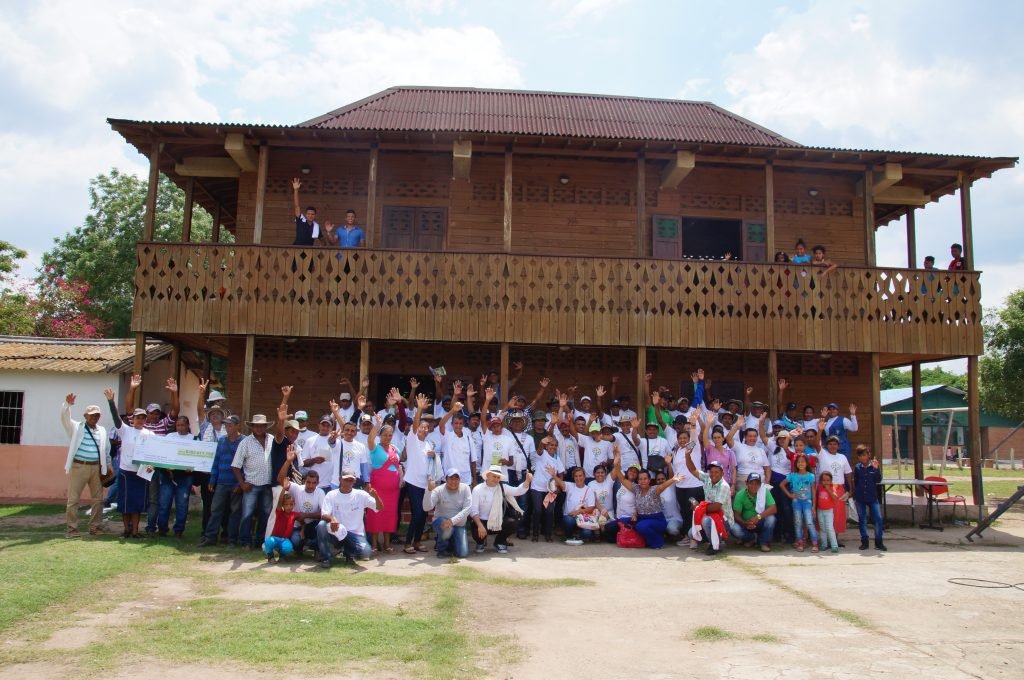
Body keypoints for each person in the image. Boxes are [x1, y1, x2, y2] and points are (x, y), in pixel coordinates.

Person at [61, 392, 112, 538]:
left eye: (97, 415)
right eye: (92, 415)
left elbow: (106, 450)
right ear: (85, 416)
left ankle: (95, 527)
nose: (94, 417)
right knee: (73, 500)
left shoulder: (102, 430)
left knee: (98, 499)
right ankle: (72, 529)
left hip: (96, 468)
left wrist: (108, 465)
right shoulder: (77, 427)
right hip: (79, 466)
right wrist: (67, 405)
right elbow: (65, 419)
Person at [612, 447, 683, 549]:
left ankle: (658, 542)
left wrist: (673, 479)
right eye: (640, 479)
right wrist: (616, 462)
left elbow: (663, 485)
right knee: (626, 523)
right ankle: (648, 540)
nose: (643, 481)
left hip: (657, 520)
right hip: (642, 519)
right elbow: (622, 478)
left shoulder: (654, 490)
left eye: (645, 479)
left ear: (649, 480)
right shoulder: (636, 489)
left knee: (641, 526)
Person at [105, 392, 154, 539]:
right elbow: (115, 418)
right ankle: (126, 529)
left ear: (146, 419)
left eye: (142, 418)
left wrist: (152, 465)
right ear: (132, 419)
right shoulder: (125, 430)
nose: (140, 420)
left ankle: (135, 531)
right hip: (126, 471)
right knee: (125, 503)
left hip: (141, 472)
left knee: (138, 504)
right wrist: (111, 402)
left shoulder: (150, 434)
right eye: (137, 417)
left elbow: (153, 453)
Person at [317, 469, 383, 568]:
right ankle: (326, 558)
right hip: (337, 530)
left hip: (355, 534)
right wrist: (332, 519)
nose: (348, 483)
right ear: (340, 479)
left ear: (354, 481)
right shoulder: (331, 495)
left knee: (366, 552)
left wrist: (376, 496)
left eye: (351, 480)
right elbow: (324, 514)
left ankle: (349, 554)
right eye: (346, 480)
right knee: (321, 525)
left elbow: (379, 507)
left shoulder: (360, 494)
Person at [198, 415, 244, 547]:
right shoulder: (222, 440)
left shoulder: (244, 441)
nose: (227, 428)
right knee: (215, 510)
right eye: (226, 425)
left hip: (235, 481)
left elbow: (245, 465)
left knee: (235, 512)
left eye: (230, 425)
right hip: (222, 481)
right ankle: (210, 537)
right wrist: (212, 479)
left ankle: (231, 539)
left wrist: (239, 483)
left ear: (237, 426)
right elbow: (216, 460)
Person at [231, 414, 276, 550]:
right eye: (256, 425)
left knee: (265, 514)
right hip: (251, 484)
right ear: (252, 426)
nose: (259, 428)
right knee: (247, 514)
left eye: (262, 425)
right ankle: (245, 541)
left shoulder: (272, 439)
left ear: (265, 427)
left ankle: (260, 541)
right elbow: (235, 465)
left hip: (268, 484)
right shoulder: (245, 442)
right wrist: (242, 483)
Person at [402, 394, 437, 554]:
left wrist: (434, 456)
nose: (424, 429)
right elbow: (415, 425)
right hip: (413, 482)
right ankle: (407, 543)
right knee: (417, 513)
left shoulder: (428, 443)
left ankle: (417, 542)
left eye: (426, 428)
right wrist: (420, 409)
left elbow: (432, 464)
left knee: (423, 515)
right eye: (422, 427)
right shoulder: (413, 439)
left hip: (425, 484)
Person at [680, 453, 733, 556]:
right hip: (710, 517)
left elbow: (716, 507)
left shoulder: (724, 486)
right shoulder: (708, 478)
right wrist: (687, 456)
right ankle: (714, 538)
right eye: (711, 471)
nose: (713, 474)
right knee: (692, 533)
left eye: (717, 472)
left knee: (705, 521)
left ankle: (715, 545)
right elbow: (692, 470)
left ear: (722, 473)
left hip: (723, 520)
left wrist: (698, 507)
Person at [470, 465, 531, 554]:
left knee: (512, 522)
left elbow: (518, 491)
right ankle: (481, 542)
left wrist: (527, 481)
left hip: (497, 521)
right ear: (487, 476)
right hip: (481, 522)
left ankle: (499, 542)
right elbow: (473, 510)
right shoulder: (477, 489)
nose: (496, 479)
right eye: (494, 476)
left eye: (498, 477)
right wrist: (480, 525)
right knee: (475, 528)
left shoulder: (503, 488)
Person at [277, 445, 325, 556]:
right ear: (304, 481)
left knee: (323, 525)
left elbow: (324, 513)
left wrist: (306, 515)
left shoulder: (320, 492)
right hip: (297, 526)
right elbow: (280, 480)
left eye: (314, 483)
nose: (311, 485)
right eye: (308, 482)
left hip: (312, 526)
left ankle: (315, 548)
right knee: (296, 541)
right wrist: (288, 461)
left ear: (318, 483)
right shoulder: (297, 489)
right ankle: (299, 547)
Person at [365, 415, 402, 554]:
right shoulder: (375, 448)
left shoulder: (395, 448)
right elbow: (370, 438)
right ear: (380, 436)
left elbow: (400, 462)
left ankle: (387, 544)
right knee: (376, 514)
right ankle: (374, 544)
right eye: (385, 435)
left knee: (389, 515)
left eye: (390, 435)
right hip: (378, 489)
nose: (387, 437)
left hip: (393, 491)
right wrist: (378, 423)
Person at [156, 415, 196, 538]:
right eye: (178, 425)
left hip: (184, 477)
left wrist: (192, 468)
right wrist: (164, 467)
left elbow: (196, 459)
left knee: (182, 504)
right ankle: (162, 529)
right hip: (168, 475)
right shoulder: (169, 437)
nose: (180, 427)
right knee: (164, 503)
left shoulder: (194, 439)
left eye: (183, 425)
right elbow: (161, 454)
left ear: (188, 425)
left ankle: (179, 530)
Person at [424, 470, 473, 559]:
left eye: (456, 479)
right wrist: (428, 491)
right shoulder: (438, 490)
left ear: (460, 480)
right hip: (441, 522)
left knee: (462, 553)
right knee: (447, 529)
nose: (453, 482)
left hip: (458, 524)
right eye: (451, 478)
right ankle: (441, 550)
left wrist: (452, 521)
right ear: (446, 479)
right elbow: (426, 508)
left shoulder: (465, 488)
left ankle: (447, 540)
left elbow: (467, 509)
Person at [816, 433, 853, 545]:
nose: (833, 446)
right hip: (824, 488)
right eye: (830, 444)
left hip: (839, 488)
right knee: (824, 513)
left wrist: (850, 489)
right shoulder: (823, 454)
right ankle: (824, 540)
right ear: (827, 445)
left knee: (837, 514)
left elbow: (848, 473)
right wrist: (820, 430)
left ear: (838, 445)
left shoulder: (842, 457)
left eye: (835, 444)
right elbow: (817, 443)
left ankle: (835, 540)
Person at [529, 436, 566, 542]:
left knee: (549, 511)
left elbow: (561, 473)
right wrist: (541, 442)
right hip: (537, 487)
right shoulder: (541, 454)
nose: (553, 447)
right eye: (551, 445)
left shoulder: (557, 458)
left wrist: (558, 486)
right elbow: (539, 449)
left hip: (550, 489)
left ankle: (548, 535)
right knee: (537, 510)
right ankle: (535, 535)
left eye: (555, 445)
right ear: (547, 446)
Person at [730, 473, 778, 552]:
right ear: (746, 483)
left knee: (771, 519)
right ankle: (751, 539)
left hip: (760, 521)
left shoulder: (764, 491)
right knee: (733, 528)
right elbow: (736, 515)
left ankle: (763, 543)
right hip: (745, 523)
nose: (754, 486)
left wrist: (758, 517)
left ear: (760, 484)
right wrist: (745, 523)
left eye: (757, 484)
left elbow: (773, 508)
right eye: (751, 483)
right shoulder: (740, 494)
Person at [852, 445, 886, 551]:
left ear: (868, 455)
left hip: (872, 496)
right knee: (862, 519)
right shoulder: (857, 467)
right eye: (860, 455)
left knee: (878, 519)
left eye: (865, 455)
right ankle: (864, 541)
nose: (863, 457)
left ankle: (879, 541)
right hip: (860, 496)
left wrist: (876, 469)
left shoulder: (874, 466)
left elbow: (878, 480)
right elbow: (856, 481)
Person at [781, 453, 818, 552]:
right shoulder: (792, 475)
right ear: (796, 464)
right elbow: (782, 484)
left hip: (807, 502)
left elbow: (814, 491)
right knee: (798, 522)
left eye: (803, 461)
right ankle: (800, 542)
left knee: (809, 522)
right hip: (796, 501)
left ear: (807, 463)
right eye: (799, 462)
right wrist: (790, 495)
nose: (801, 463)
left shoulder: (811, 476)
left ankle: (815, 543)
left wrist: (814, 506)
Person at [562, 467, 600, 544]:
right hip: (571, 517)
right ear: (573, 477)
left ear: (584, 476)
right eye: (576, 476)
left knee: (587, 533)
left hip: (584, 518)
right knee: (568, 521)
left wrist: (579, 511)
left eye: (580, 476)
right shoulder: (570, 486)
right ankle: (569, 536)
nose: (578, 478)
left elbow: (591, 507)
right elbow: (560, 483)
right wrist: (553, 475)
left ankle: (578, 535)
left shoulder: (589, 490)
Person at [263, 487, 299, 562]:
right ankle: (270, 556)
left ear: (294, 505)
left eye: (291, 504)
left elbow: (303, 520)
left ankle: (282, 556)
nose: (289, 507)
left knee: (288, 548)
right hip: (275, 538)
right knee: (269, 541)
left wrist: (303, 531)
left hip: (284, 540)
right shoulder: (280, 513)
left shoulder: (295, 515)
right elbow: (279, 501)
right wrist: (284, 489)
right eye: (286, 504)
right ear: (283, 505)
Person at [815, 471, 840, 553]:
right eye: (824, 480)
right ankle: (824, 544)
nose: (826, 482)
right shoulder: (819, 487)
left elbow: (835, 498)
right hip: (820, 510)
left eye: (828, 480)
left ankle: (834, 545)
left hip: (829, 511)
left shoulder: (832, 487)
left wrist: (829, 489)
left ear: (831, 481)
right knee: (822, 528)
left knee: (829, 528)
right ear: (821, 481)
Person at [291, 177, 320, 246]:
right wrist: (296, 190)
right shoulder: (301, 220)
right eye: (308, 214)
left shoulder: (316, 226)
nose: (310, 215)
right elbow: (296, 206)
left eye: (312, 214)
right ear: (306, 214)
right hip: (295, 251)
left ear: (315, 215)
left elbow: (322, 239)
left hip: (309, 253)